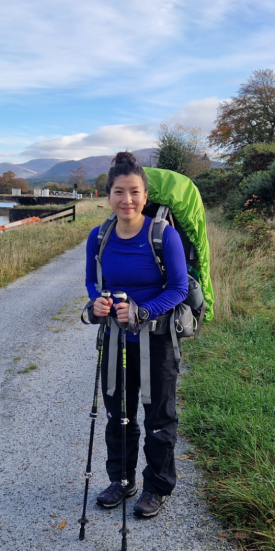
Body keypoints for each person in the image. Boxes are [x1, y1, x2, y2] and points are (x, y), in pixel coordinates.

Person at [84, 151, 188, 518]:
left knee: (159, 419)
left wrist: (144, 311)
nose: (126, 200)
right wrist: (97, 302)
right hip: (115, 344)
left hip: (157, 343)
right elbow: (93, 282)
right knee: (119, 417)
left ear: (145, 195)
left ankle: (156, 488)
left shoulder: (164, 236)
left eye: (134, 192)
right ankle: (122, 480)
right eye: (118, 192)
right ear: (108, 195)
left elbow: (178, 288)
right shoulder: (99, 237)